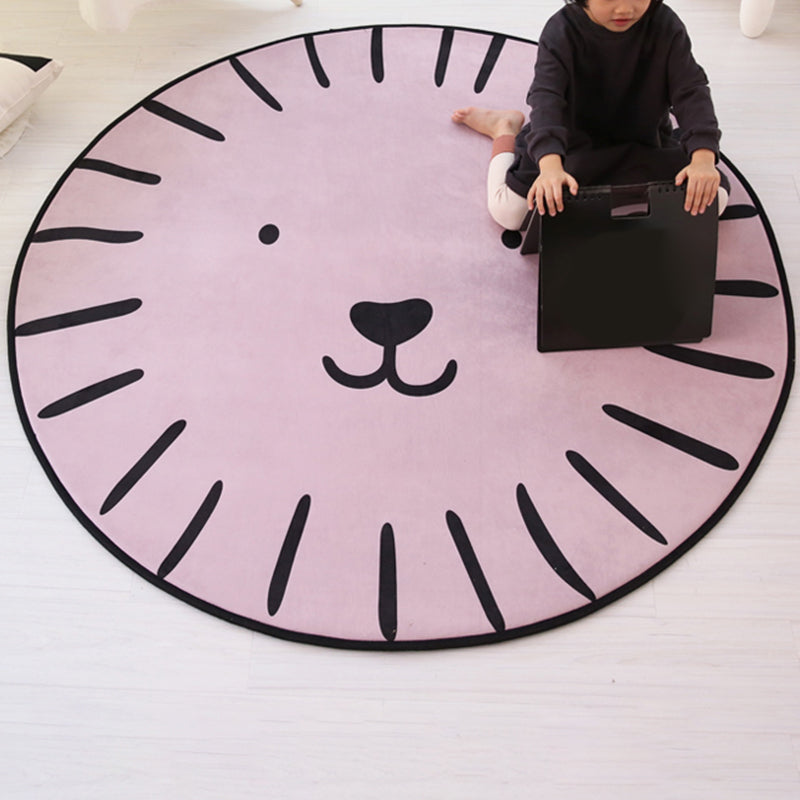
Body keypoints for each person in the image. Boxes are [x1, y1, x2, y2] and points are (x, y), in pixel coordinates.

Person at [452, 0, 730, 231]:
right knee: (509, 212)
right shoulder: (561, 31)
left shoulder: (666, 25)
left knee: (714, 198)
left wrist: (703, 160)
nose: (624, 8)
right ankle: (504, 129)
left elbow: (691, 91)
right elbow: (547, 99)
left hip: (641, 145)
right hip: (569, 149)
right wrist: (550, 168)